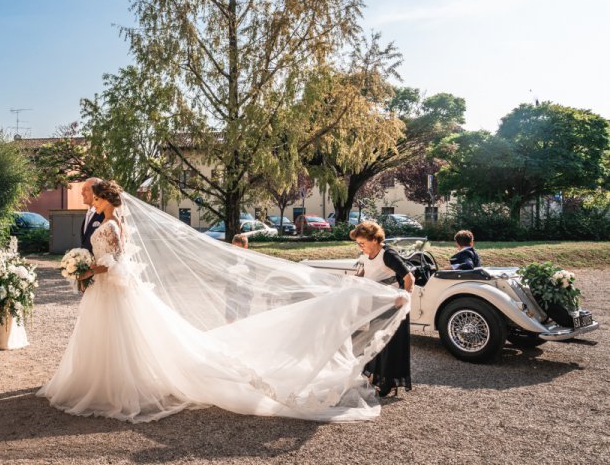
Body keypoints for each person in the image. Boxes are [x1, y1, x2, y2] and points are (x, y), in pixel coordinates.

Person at [38, 181, 410, 423]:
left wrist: (88, 272)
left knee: (124, 338)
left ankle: (120, 385)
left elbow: (115, 262)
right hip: (106, 292)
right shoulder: (111, 223)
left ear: (105, 200)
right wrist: (87, 271)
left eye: (96, 197)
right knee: (110, 339)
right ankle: (108, 382)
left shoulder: (115, 224)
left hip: (111, 287)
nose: (95, 201)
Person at [350, 221, 413, 397]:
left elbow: (409, 277)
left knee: (389, 345)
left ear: (375, 239)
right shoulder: (364, 255)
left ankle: (389, 381)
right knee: (374, 341)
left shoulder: (387, 255)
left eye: (362, 243)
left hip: (393, 305)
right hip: (376, 304)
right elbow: (364, 274)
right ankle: (375, 378)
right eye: (358, 243)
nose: (360, 246)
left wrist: (405, 296)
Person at [224, 235, 253, 323]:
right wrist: (230, 272)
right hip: (232, 291)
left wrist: (245, 272)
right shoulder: (230, 258)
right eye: (234, 248)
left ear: (245, 247)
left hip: (245, 292)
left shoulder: (251, 259)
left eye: (239, 248)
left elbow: (254, 276)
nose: (236, 250)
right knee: (229, 317)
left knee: (243, 318)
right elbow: (224, 271)